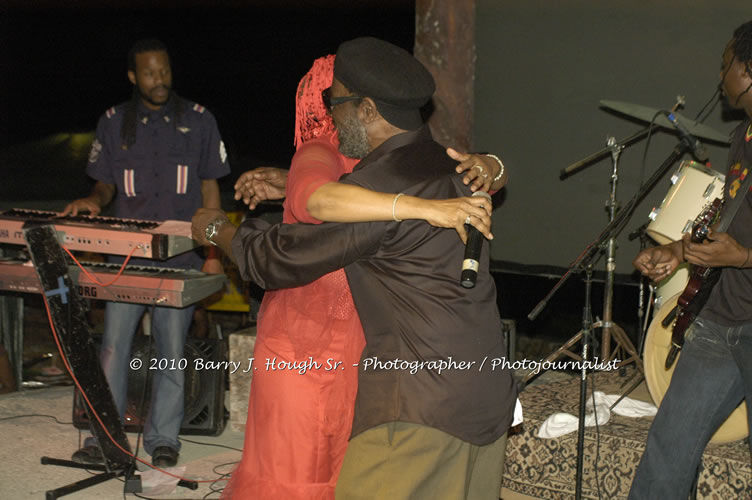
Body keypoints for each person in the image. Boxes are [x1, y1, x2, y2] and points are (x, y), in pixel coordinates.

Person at [193, 37, 518, 499]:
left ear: (366, 110)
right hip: (486, 388)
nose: (329, 116)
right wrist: (288, 184)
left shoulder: (379, 191)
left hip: (421, 406)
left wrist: (213, 229)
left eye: (336, 103)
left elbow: (276, 258)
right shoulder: (453, 163)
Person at [63, 38, 230, 468]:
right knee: (115, 348)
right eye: (151, 73)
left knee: (171, 347)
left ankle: (163, 439)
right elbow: (104, 183)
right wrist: (95, 202)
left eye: (166, 71)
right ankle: (105, 438)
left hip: (180, 257)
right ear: (134, 77)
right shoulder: (113, 122)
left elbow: (211, 190)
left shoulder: (200, 120)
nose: (161, 80)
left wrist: (212, 250)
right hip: (128, 258)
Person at [629, 21, 752, 499]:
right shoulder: (743, 137)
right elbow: (734, 220)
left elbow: (740, 248)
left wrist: (743, 259)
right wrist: (678, 251)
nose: (720, 76)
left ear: (747, 70)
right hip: (723, 321)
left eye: (725, 66)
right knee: (669, 446)